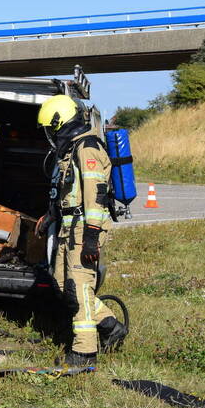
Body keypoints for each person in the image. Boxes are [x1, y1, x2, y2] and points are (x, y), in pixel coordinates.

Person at [36, 94, 128, 367]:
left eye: (51, 128)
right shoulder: (72, 149)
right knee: (65, 287)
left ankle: (84, 351)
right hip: (69, 227)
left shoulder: (87, 148)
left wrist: (90, 239)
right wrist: (50, 216)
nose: (51, 135)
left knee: (78, 288)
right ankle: (111, 326)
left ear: (60, 122)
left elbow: (95, 196)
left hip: (84, 229)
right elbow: (70, 192)